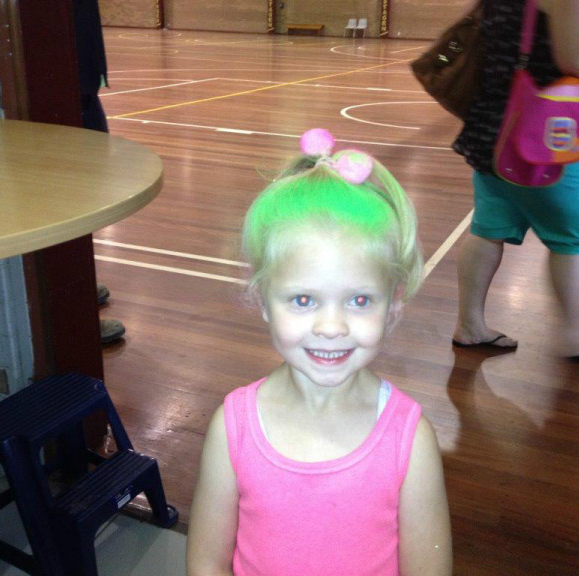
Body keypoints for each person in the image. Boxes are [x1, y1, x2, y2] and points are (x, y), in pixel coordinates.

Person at [186, 129, 452, 576]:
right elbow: (206, 564)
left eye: (360, 300)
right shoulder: (232, 429)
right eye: (304, 300)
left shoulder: (411, 441)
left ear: (394, 305)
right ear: (262, 300)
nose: (332, 328)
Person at [451, 0, 579, 359]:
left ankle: (470, 324)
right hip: (544, 137)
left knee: (488, 229)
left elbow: (537, 32)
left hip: (494, 129)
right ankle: (577, 334)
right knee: (572, 236)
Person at [73, 0, 125, 344]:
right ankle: (73, 314)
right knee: (69, 198)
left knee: (86, 193)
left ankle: (76, 286)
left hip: (84, 89)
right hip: (66, 89)